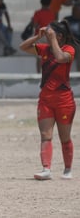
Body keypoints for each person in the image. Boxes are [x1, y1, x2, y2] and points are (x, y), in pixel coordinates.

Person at [19, 20, 76, 180]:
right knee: (45, 135)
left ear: (59, 36)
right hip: (45, 100)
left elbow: (59, 58)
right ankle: (46, 168)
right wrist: (38, 36)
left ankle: (67, 169)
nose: (47, 36)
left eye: (51, 33)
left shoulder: (69, 50)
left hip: (64, 101)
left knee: (64, 137)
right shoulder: (44, 49)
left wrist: (52, 39)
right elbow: (23, 47)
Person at [30, 0, 55, 73]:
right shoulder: (52, 13)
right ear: (50, 3)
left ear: (41, 2)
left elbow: (35, 25)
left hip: (39, 36)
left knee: (39, 57)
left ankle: (38, 73)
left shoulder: (37, 13)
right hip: (49, 37)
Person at [63, 2, 80, 71]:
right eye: (74, 10)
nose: (74, 11)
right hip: (71, 42)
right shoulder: (67, 20)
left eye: (77, 10)